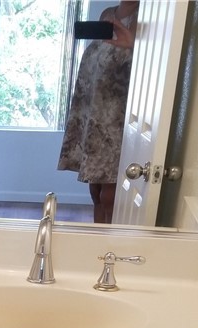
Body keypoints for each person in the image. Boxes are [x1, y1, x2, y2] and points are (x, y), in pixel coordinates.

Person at [57, 1, 139, 224]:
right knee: (95, 190)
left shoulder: (147, 17)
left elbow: (152, 70)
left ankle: (108, 246)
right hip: (93, 113)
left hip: (117, 118)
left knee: (111, 196)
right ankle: (97, 239)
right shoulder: (108, 13)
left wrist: (132, 45)